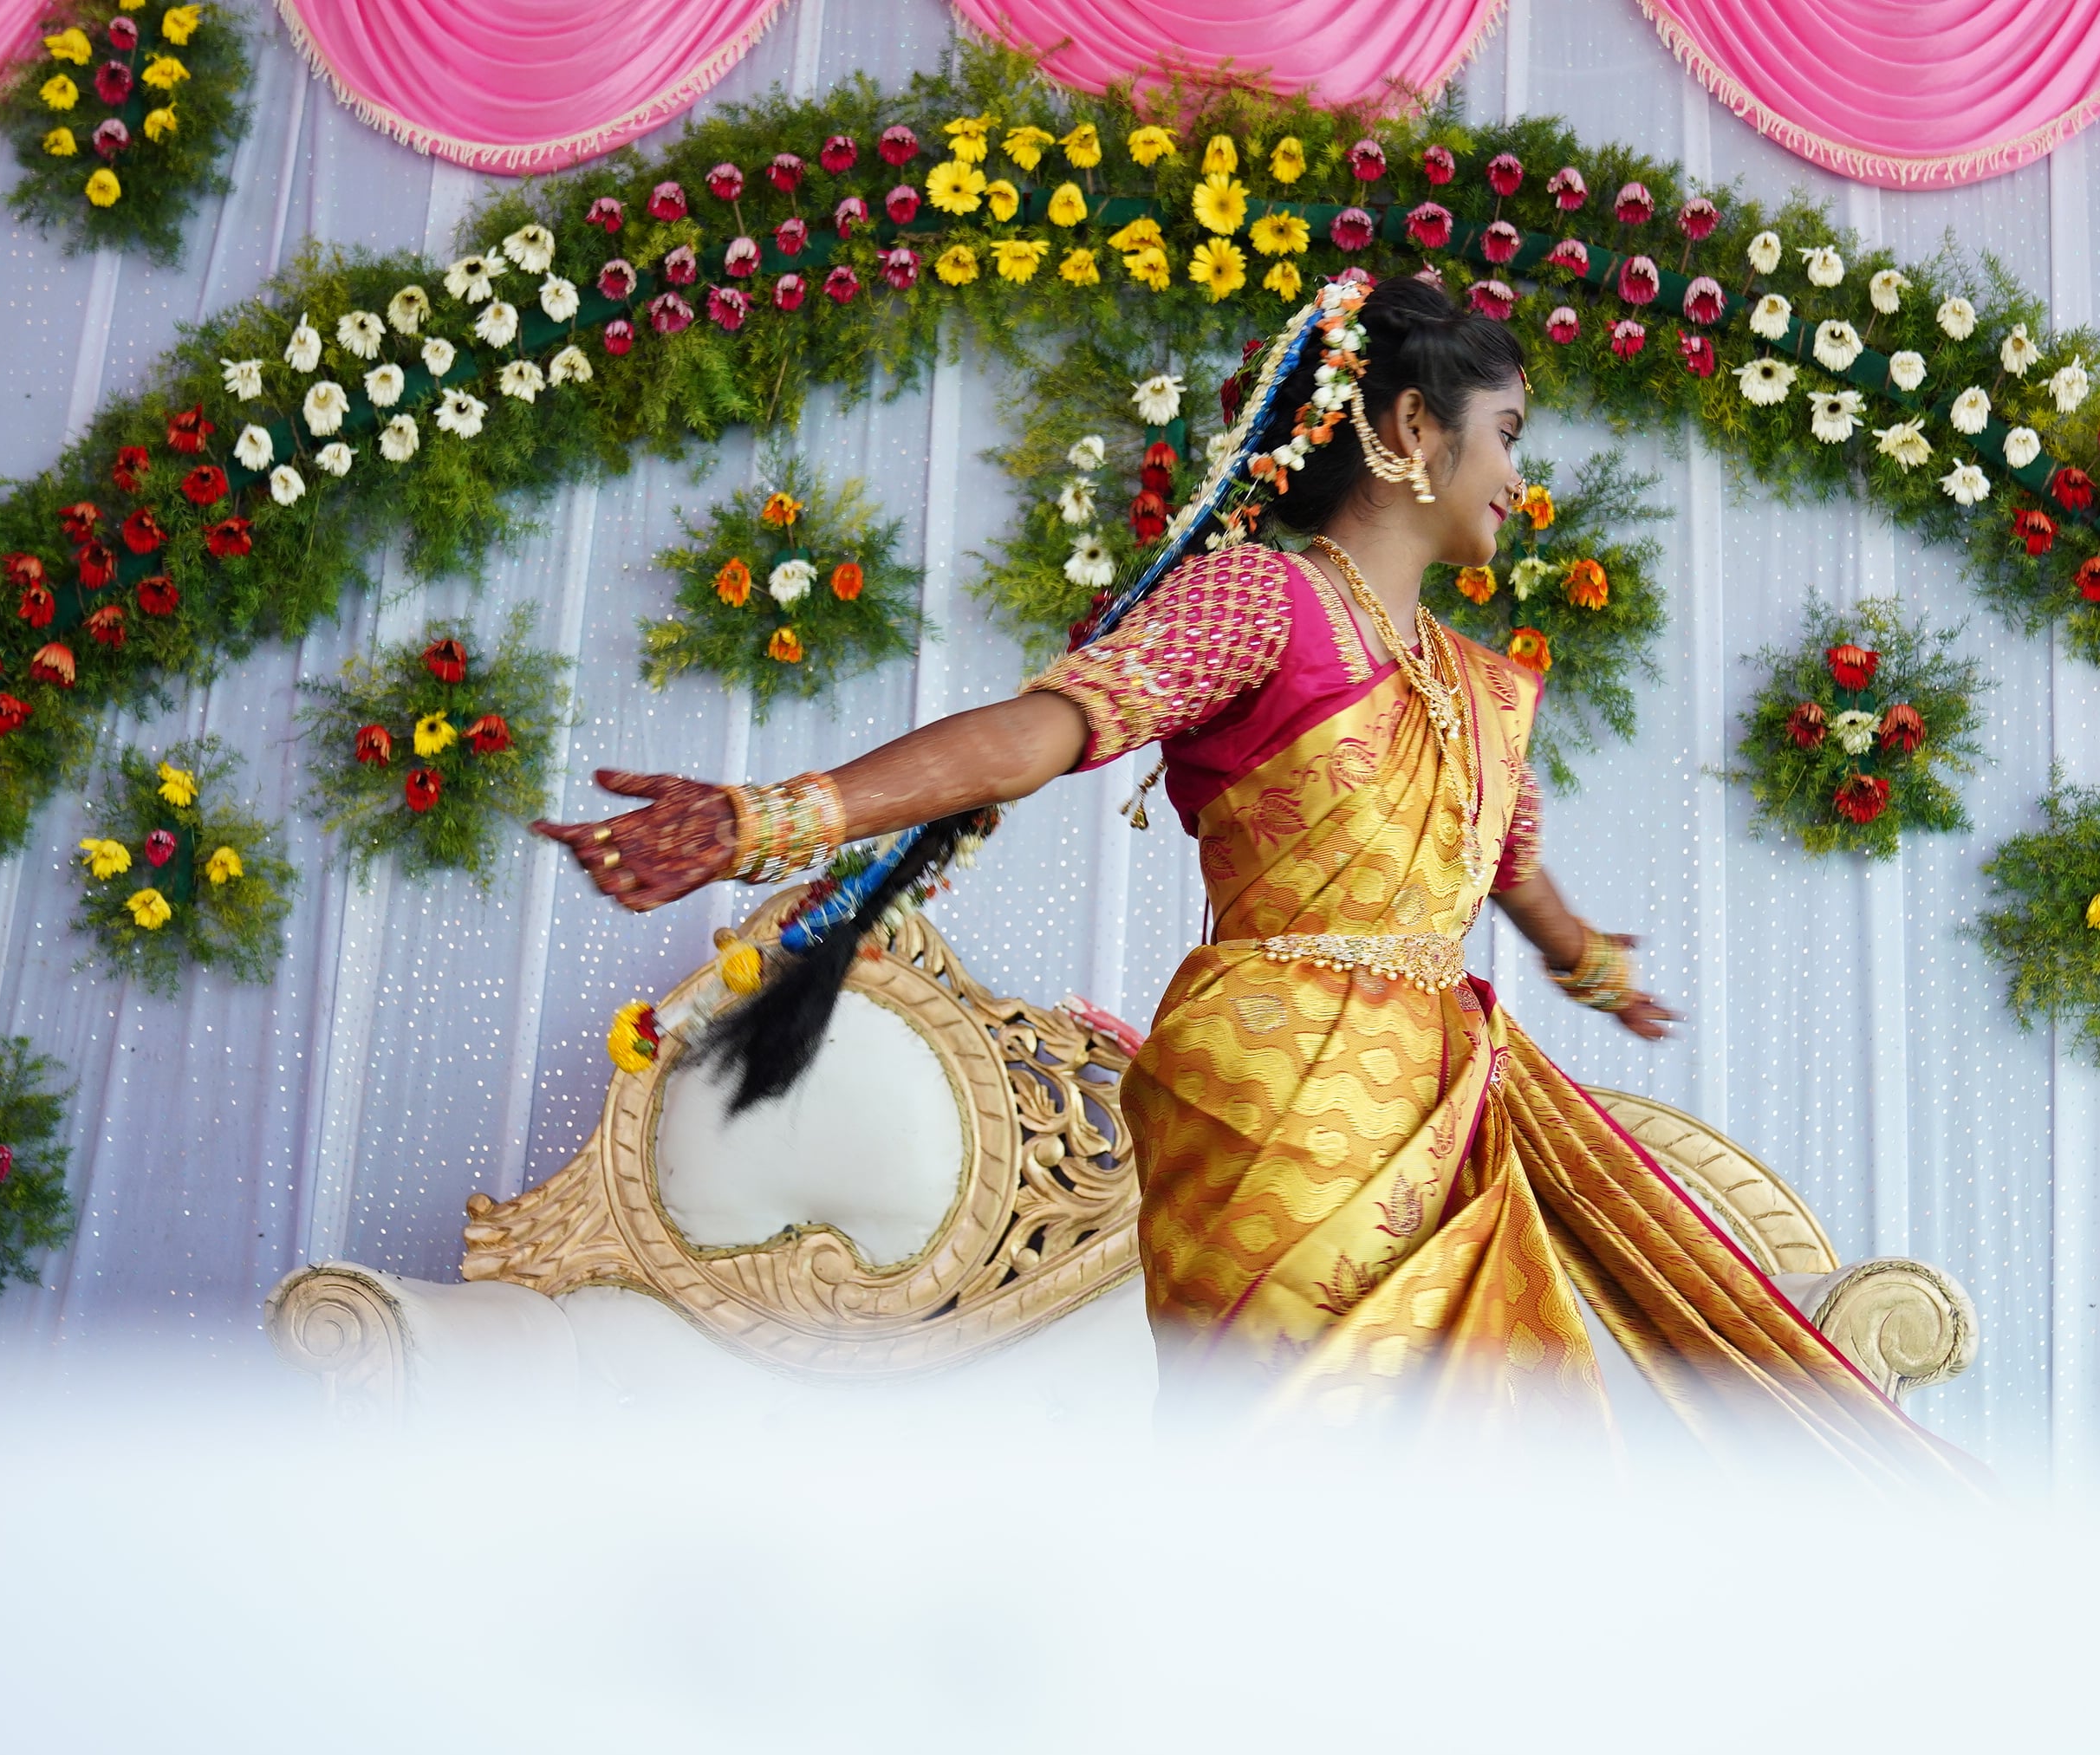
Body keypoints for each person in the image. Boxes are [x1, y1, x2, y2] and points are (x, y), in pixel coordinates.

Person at [536, 275, 1971, 1487]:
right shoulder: (1262, 600)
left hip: (1442, 1096)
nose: (1522, 479)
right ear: (1415, 429)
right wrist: (773, 817)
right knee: (1292, 1470)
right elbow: (1038, 737)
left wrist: (1589, 958)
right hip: (1269, 1096)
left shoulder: (1480, 687)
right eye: (1508, 437)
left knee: (1491, 1478)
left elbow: (1506, 864)